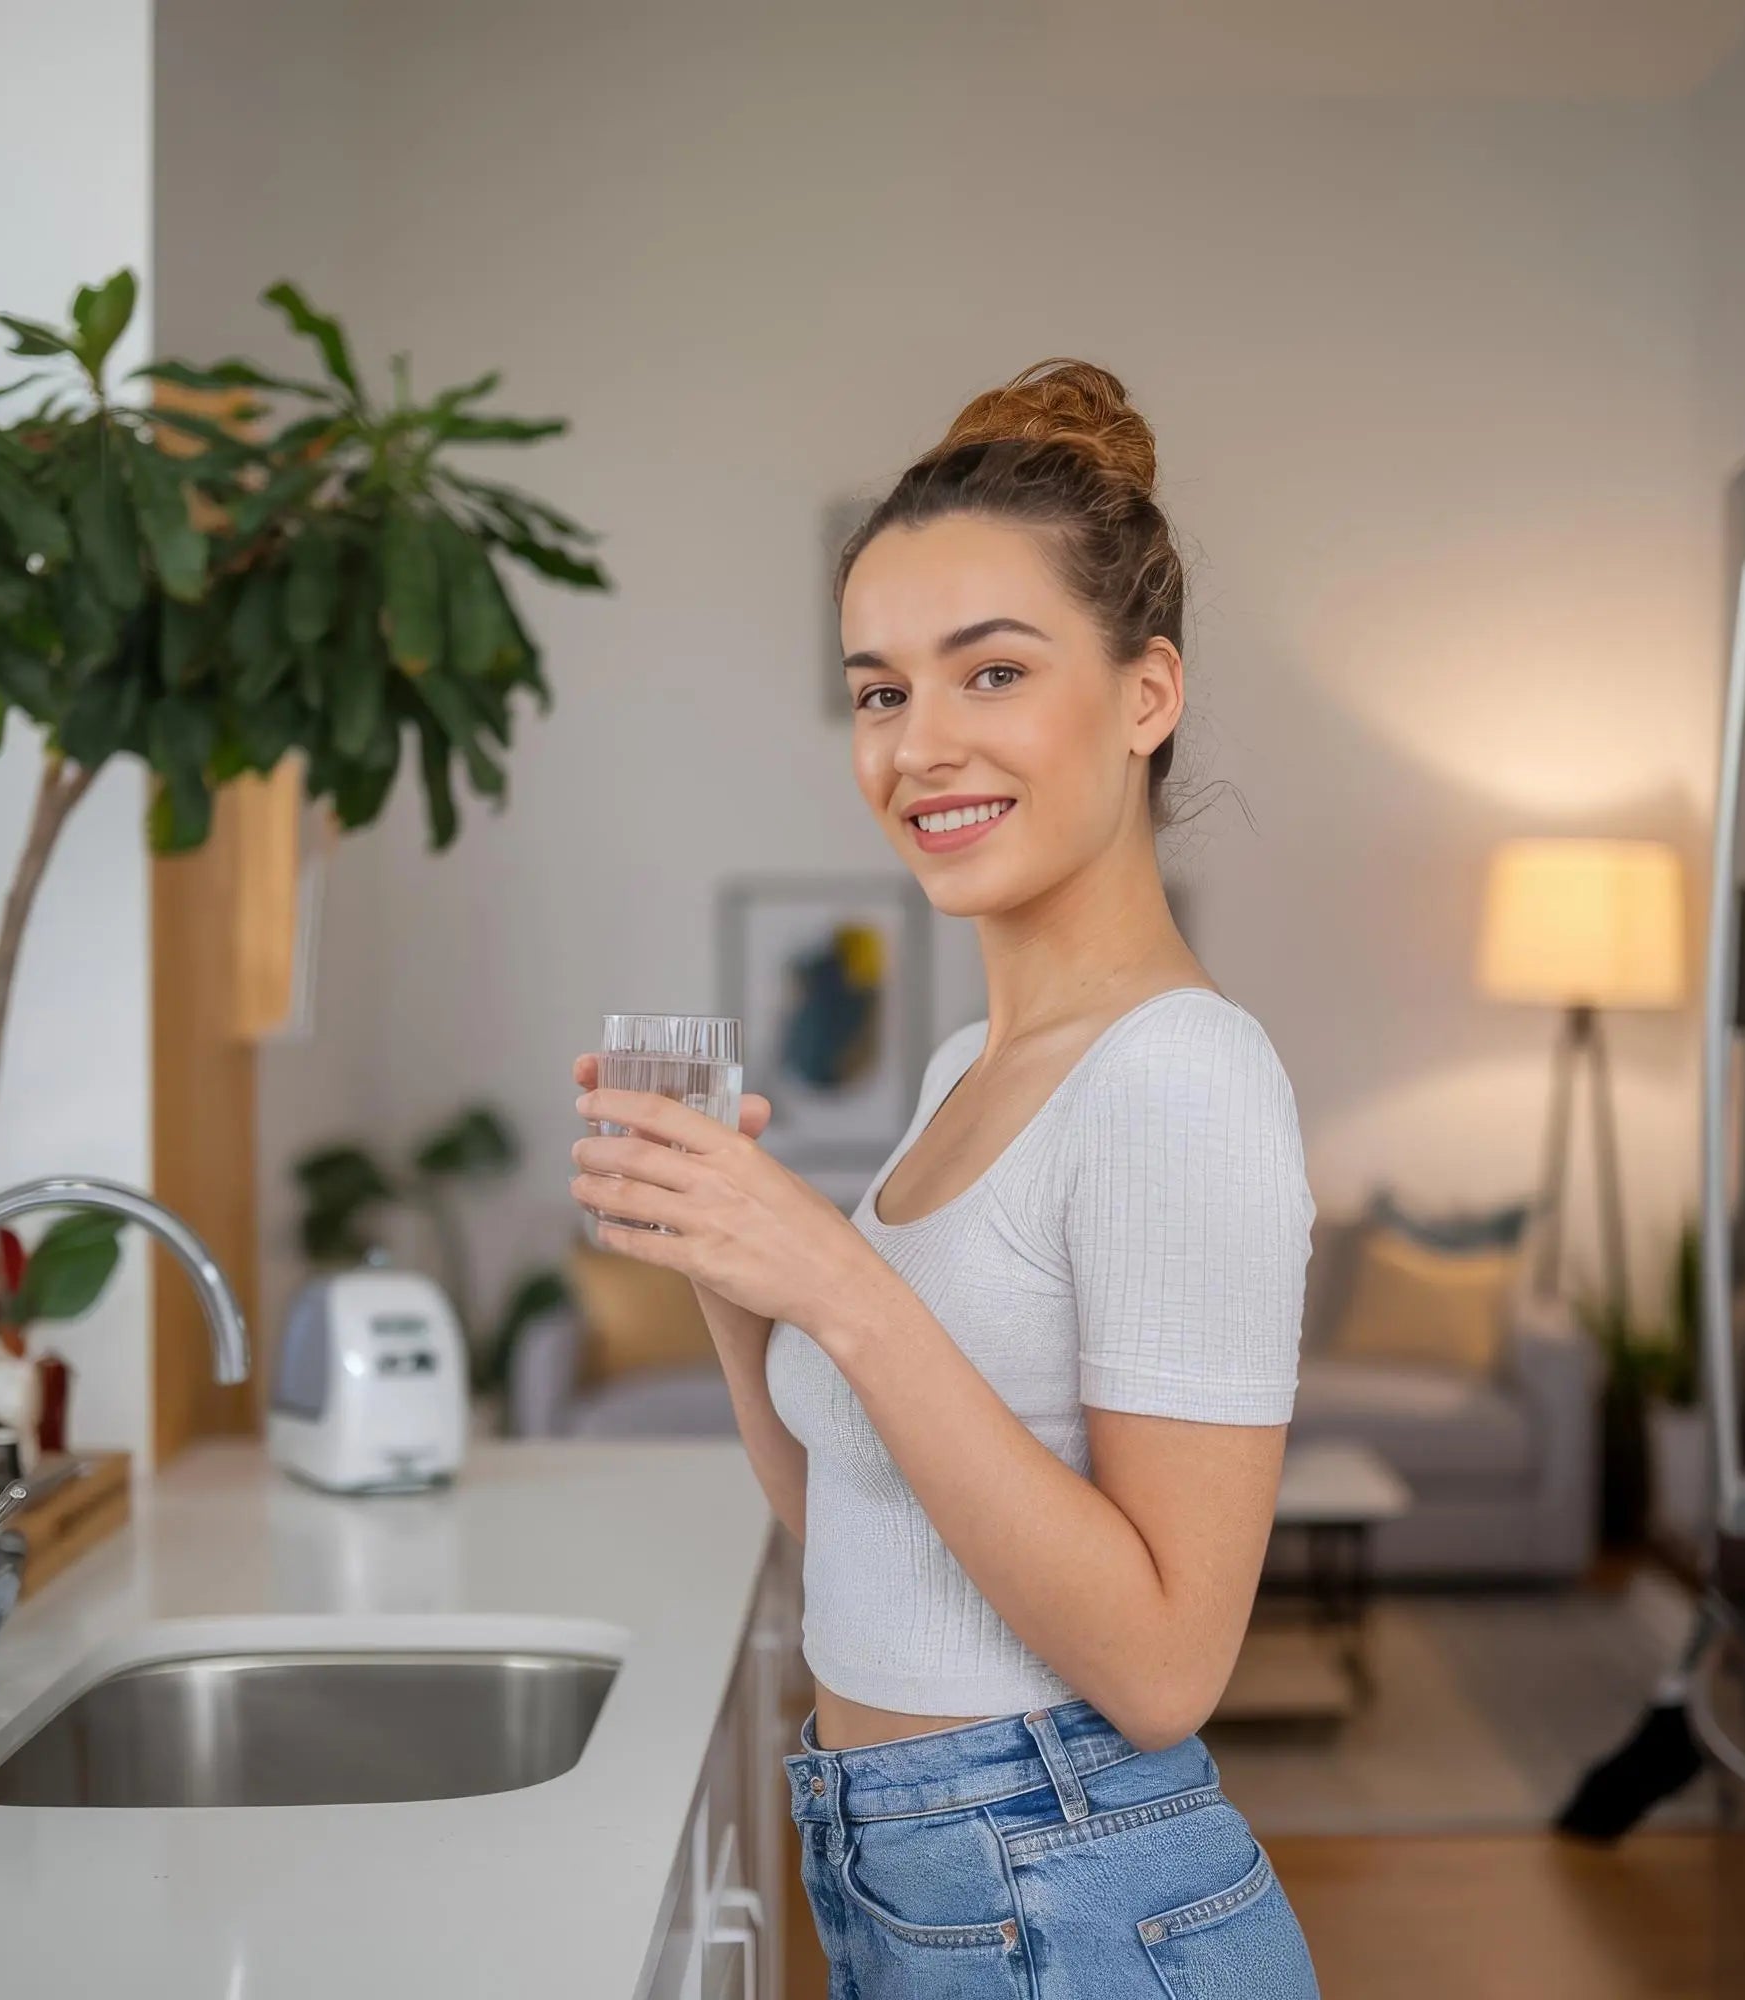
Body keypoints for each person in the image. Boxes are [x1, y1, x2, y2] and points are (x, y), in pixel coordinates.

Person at [569, 358, 1320, 1996]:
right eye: (881, 691)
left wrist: (838, 1282)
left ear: (1146, 694)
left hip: (1075, 1895)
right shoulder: (957, 1083)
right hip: (913, 1870)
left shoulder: (1185, 1079)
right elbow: (853, 1522)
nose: (920, 746)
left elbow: (1167, 1661)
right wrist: (727, 1262)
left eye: (992, 673)